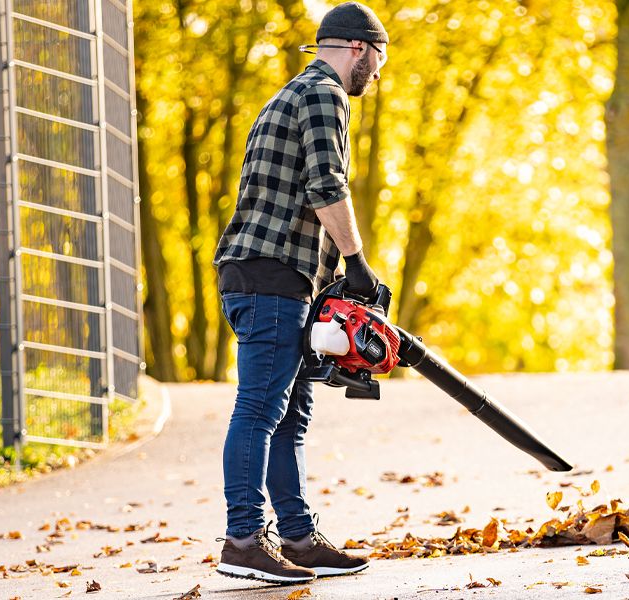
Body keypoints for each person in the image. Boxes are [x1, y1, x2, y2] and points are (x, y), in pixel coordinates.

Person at [210, 1, 388, 585]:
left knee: (289, 414)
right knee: (261, 407)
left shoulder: (293, 93)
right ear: (358, 48)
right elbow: (325, 182)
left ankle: (298, 538)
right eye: (378, 60)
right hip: (268, 277)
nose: (377, 75)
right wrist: (357, 263)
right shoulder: (323, 93)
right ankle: (242, 539)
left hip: (280, 276)